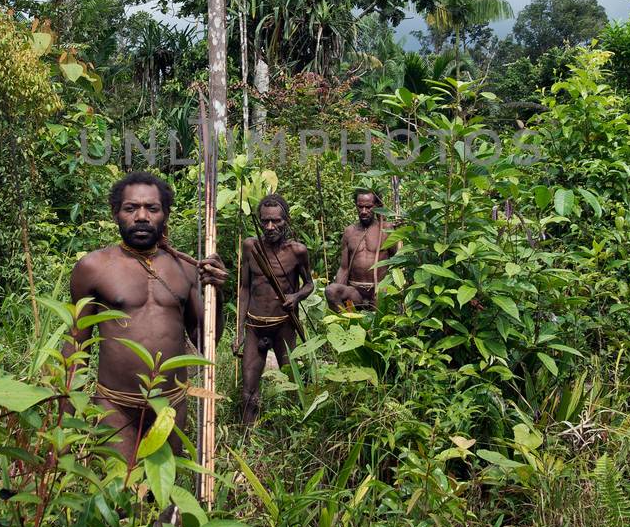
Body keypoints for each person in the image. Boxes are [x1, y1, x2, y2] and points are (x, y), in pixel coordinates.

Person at [65, 171, 227, 463]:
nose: (141, 216)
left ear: (165, 214)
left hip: (171, 405)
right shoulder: (93, 267)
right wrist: (64, 421)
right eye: (131, 208)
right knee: (121, 497)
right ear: (116, 213)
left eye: (152, 208)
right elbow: (77, 347)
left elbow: (206, 343)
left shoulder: (185, 269)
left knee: (163, 499)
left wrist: (218, 293)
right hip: (116, 405)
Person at [235, 194, 314, 426]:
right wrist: (239, 331)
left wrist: (296, 296)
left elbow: (309, 284)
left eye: (276, 221)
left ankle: (293, 435)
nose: (270, 227)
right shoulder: (251, 247)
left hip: (284, 326)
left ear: (286, 220)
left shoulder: (297, 251)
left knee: (292, 386)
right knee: (248, 391)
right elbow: (244, 289)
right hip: (254, 326)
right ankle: (247, 439)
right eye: (265, 221)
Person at [324, 188, 396, 310]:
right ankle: (345, 322)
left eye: (368, 207)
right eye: (360, 207)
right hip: (355, 292)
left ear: (377, 206)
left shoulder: (387, 229)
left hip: (379, 289)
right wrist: (339, 292)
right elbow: (344, 268)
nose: (363, 211)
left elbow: (398, 262)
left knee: (381, 300)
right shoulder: (349, 232)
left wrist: (387, 287)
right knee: (331, 290)